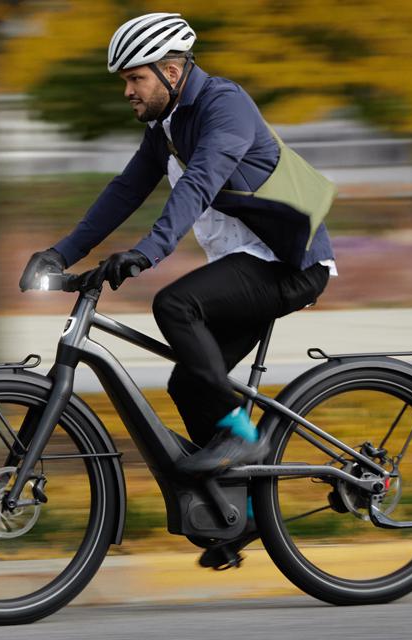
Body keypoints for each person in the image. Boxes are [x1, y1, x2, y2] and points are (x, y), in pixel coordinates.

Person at [20, 12, 336, 477]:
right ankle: (239, 513)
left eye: (135, 78)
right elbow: (125, 192)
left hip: (288, 264)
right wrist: (61, 253)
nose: (127, 91)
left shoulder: (224, 106)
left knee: (174, 305)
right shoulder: (167, 126)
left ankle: (238, 437)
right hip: (245, 264)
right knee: (189, 386)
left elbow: (200, 184)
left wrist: (149, 251)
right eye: (125, 81)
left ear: (171, 72)